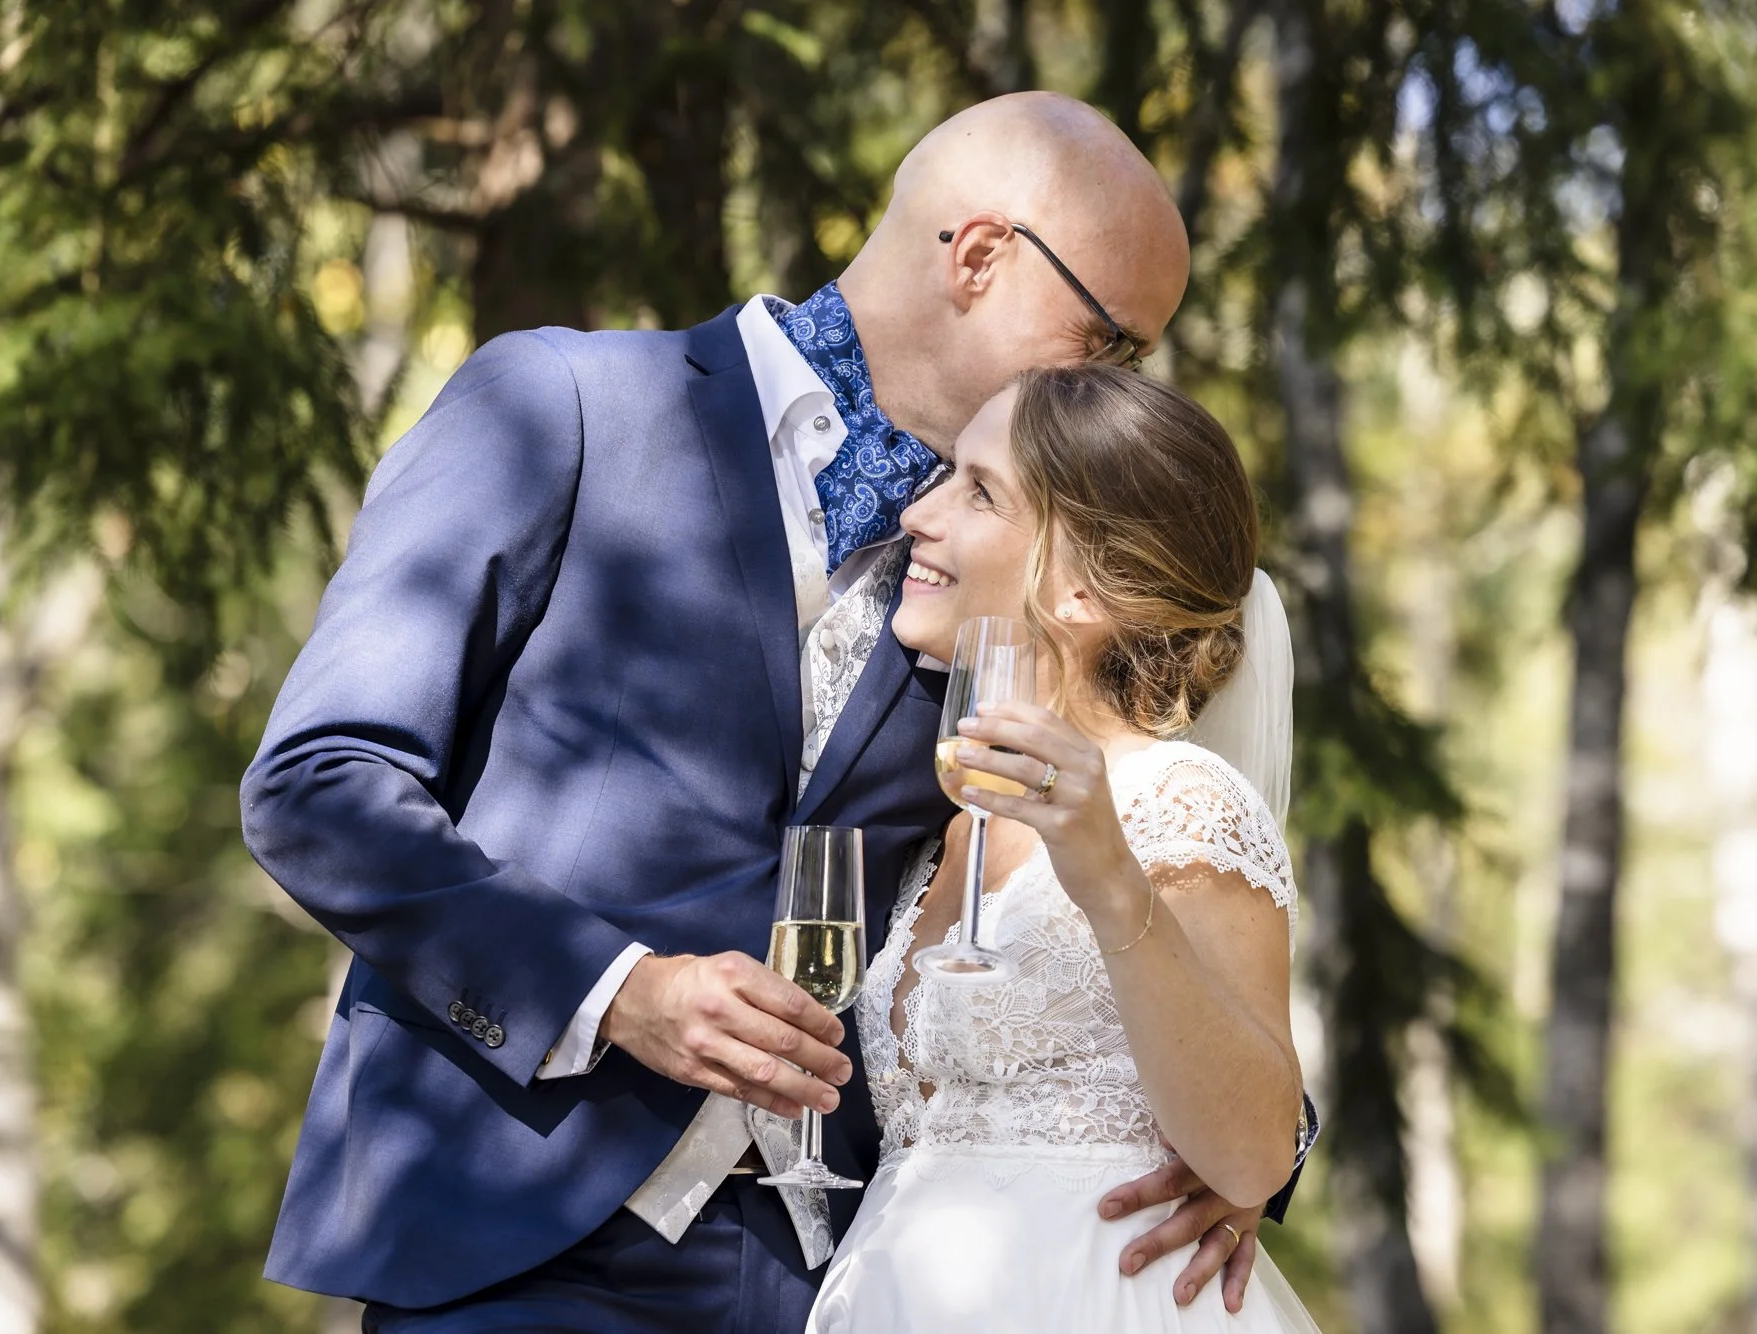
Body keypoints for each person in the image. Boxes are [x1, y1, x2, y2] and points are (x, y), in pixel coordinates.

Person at [241, 92, 1296, 1332]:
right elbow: (319, 779)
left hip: (834, 1276)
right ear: (977, 255)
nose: (1118, 385)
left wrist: (1245, 1160)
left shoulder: (998, 570)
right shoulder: (558, 406)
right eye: (1109, 338)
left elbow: (1138, 846)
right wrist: (615, 988)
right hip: (510, 1233)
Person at [803, 365, 1319, 1331]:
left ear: (1084, 586)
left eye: (979, 491)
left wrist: (1111, 881)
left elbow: (1253, 1155)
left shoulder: (1184, 803)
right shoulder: (943, 821)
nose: (918, 513)